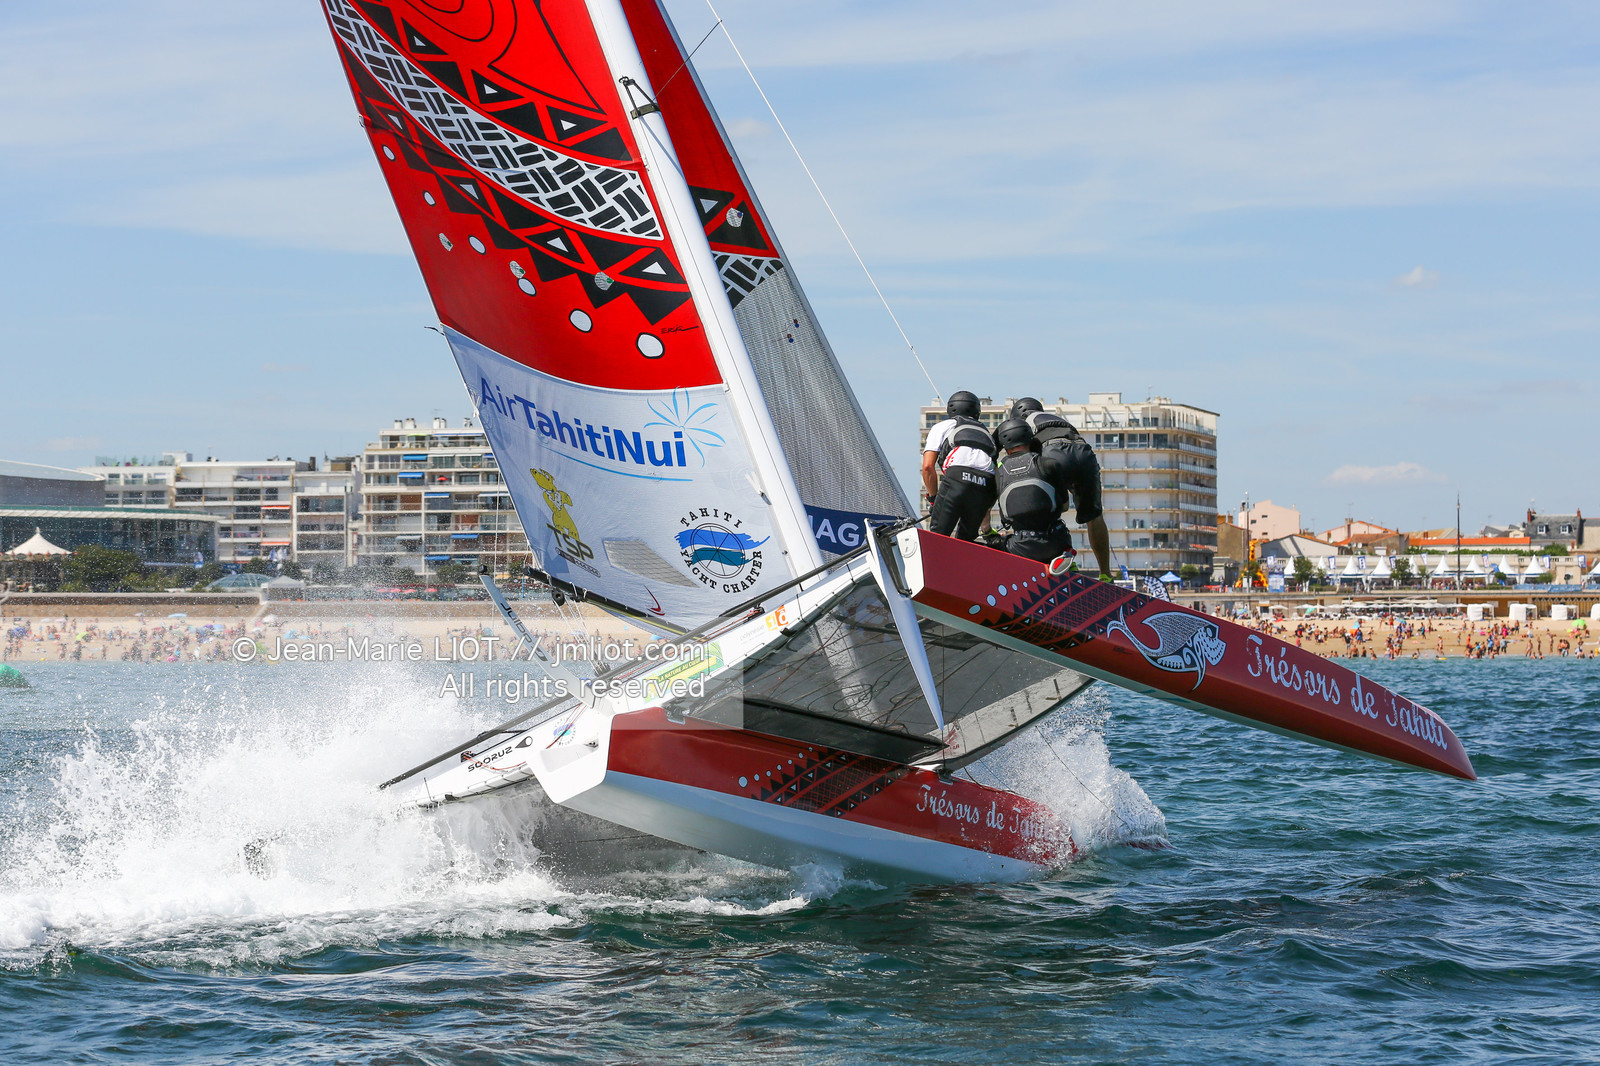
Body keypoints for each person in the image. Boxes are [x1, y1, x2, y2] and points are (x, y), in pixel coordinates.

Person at [1009, 397, 1111, 577]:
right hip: (1084, 453)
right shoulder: (1055, 418)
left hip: (1054, 452)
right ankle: (1106, 574)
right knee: (1094, 516)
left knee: (1049, 509)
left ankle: (1064, 560)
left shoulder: (1022, 422)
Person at [991, 417, 1075, 564]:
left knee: (997, 544)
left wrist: (987, 532)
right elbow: (1065, 506)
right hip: (1056, 542)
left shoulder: (998, 473)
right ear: (1030, 439)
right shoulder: (1049, 464)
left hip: (1019, 546)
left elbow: (986, 514)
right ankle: (1067, 561)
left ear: (1004, 446)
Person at [922, 391, 997, 541]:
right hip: (986, 483)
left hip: (957, 477)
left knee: (938, 537)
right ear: (977, 411)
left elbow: (928, 467)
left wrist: (934, 499)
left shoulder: (943, 426)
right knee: (965, 542)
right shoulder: (986, 433)